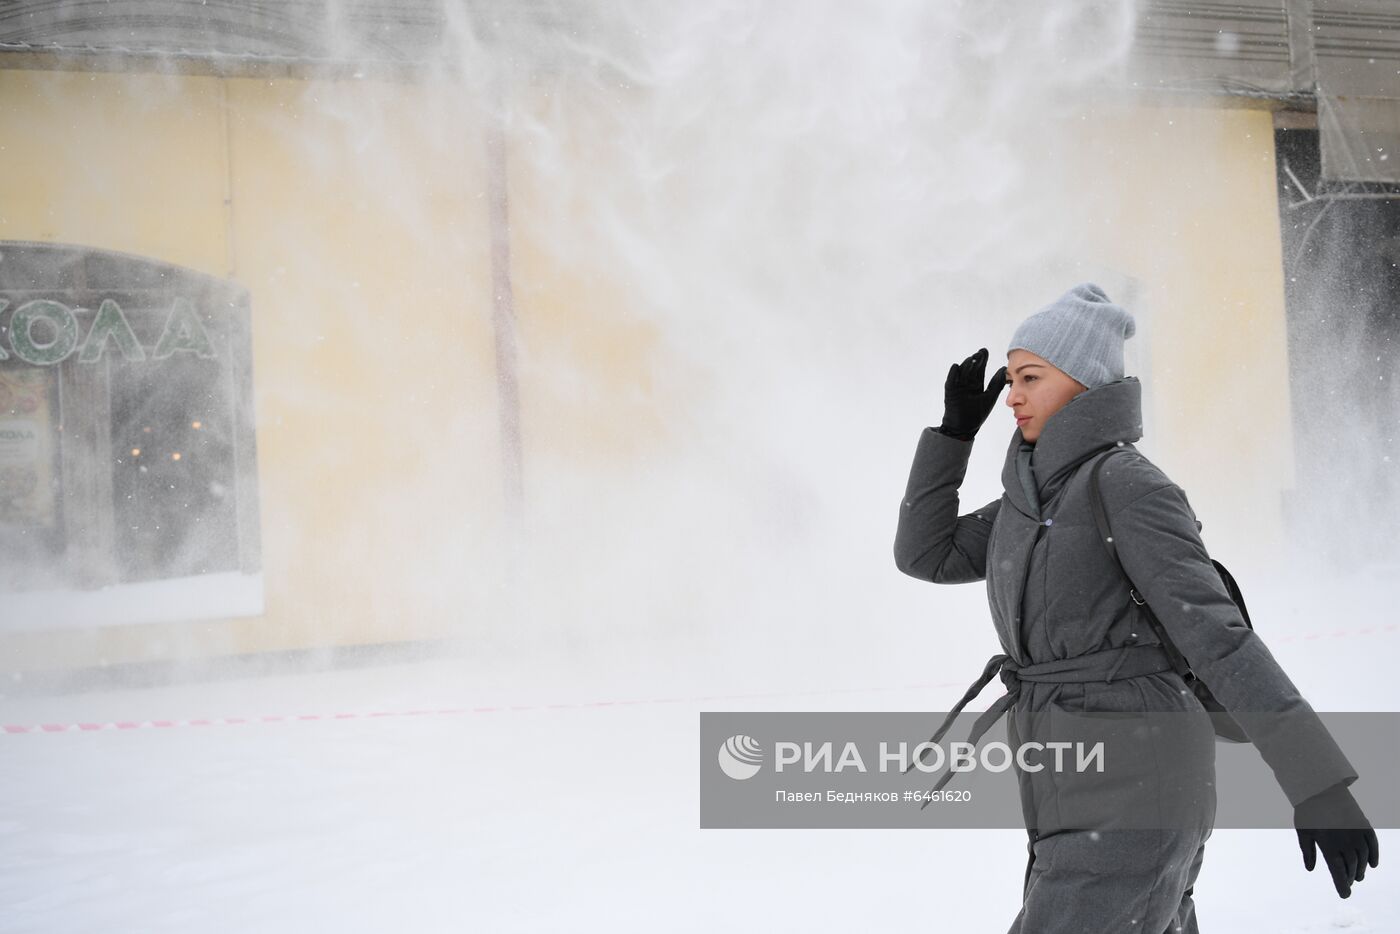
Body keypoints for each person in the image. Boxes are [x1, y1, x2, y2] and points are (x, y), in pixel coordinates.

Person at [893, 283, 1379, 933]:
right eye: (1010, 378)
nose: (1011, 395)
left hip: (1136, 787)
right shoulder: (1028, 504)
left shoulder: (1125, 486)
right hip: (1067, 783)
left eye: (1030, 377)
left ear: (1084, 383)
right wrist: (953, 436)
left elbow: (1219, 638)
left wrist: (1317, 782)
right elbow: (926, 553)